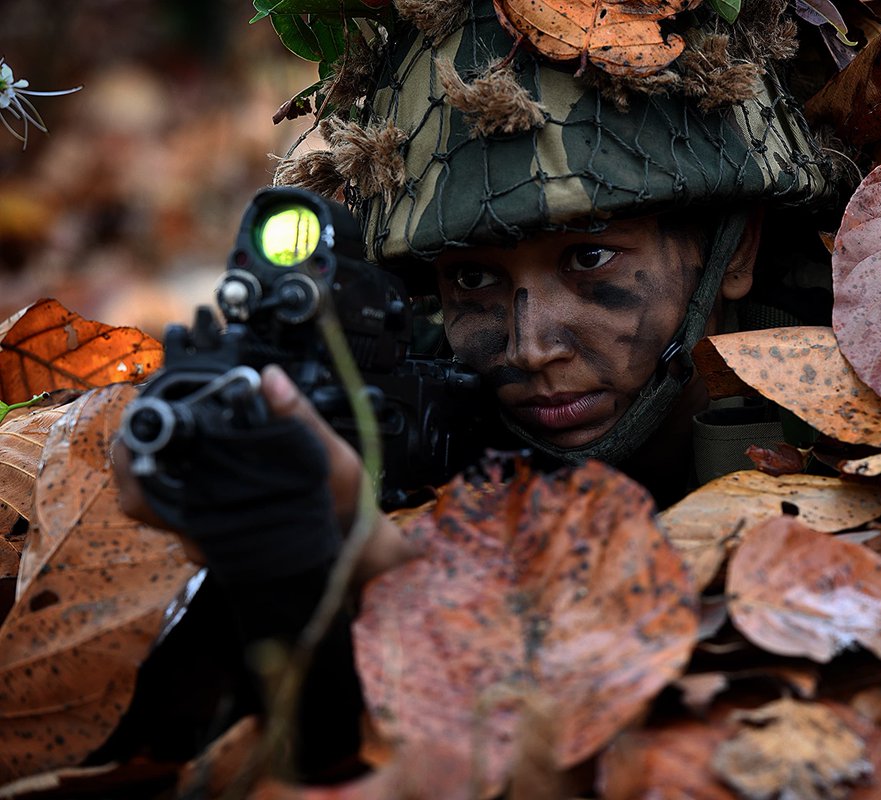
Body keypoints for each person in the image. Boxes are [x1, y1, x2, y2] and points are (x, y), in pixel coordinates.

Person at [111, 0, 840, 781]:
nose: (529, 346)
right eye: (473, 278)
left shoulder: (848, 399)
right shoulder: (420, 413)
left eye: (590, 259)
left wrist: (387, 567)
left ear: (738, 250)